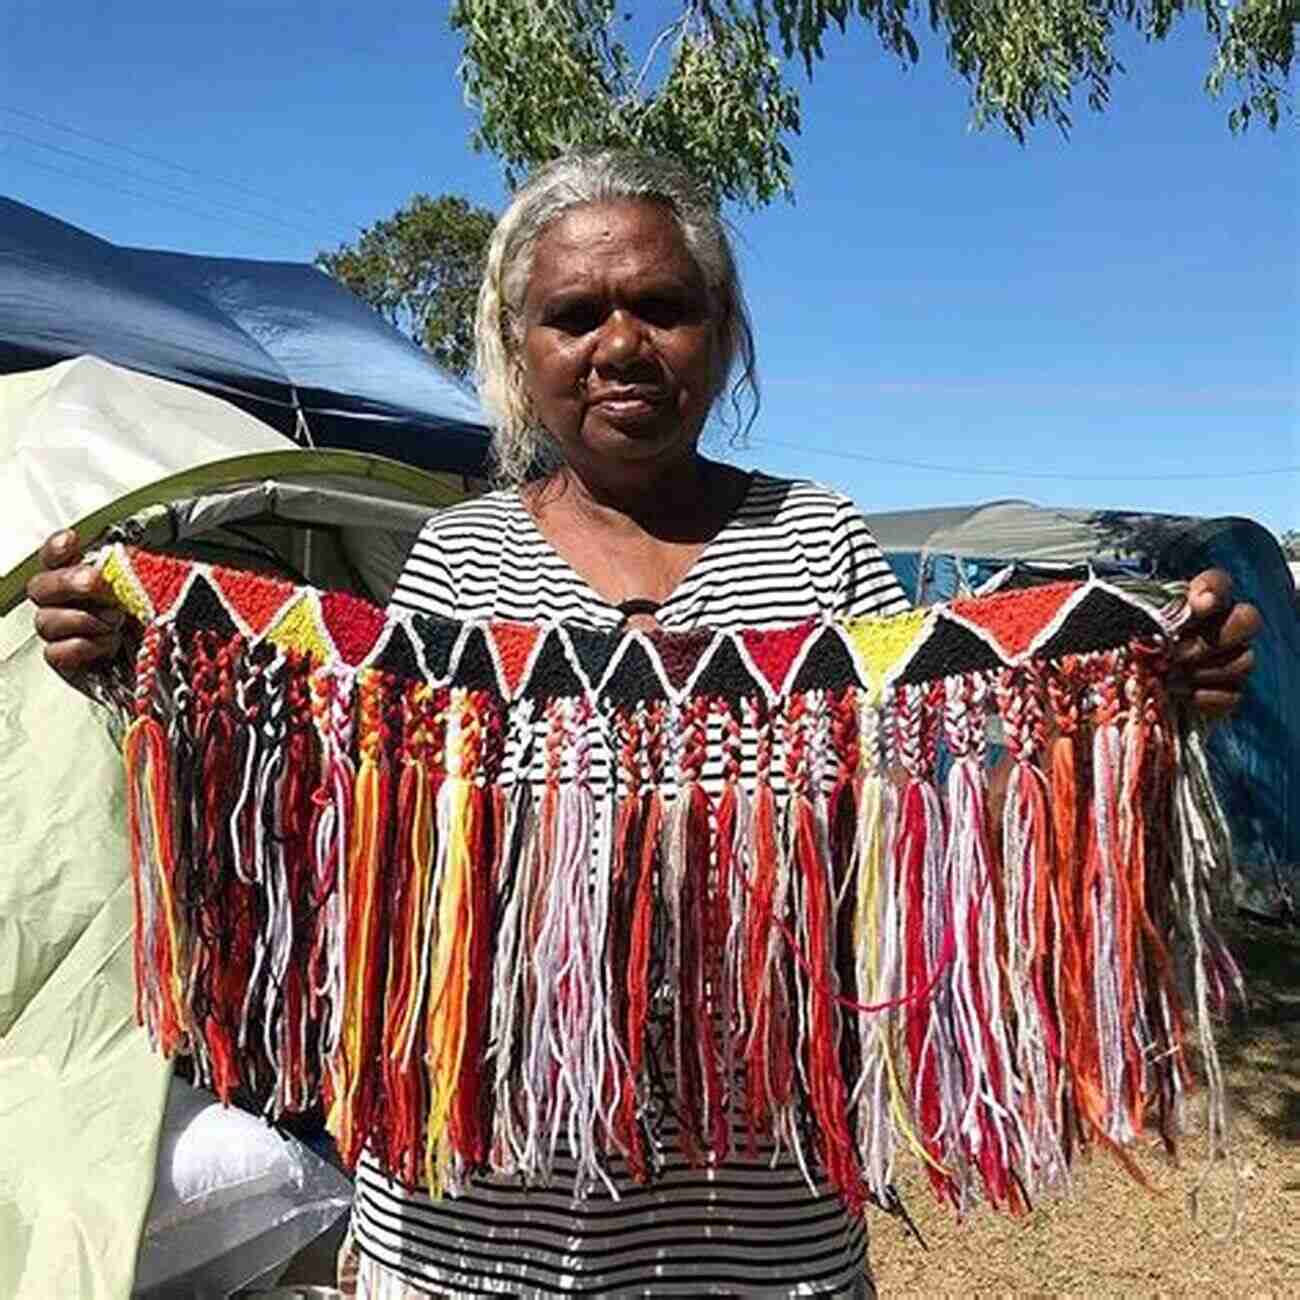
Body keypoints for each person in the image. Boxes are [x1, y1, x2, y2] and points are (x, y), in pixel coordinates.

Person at [29, 151, 1260, 1298]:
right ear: (521, 350)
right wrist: (148, 665)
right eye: (574, 316)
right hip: (474, 1215)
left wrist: (1147, 701)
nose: (620, 344)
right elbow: (355, 803)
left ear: (720, 337)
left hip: (754, 1216)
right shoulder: (462, 554)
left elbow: (935, 776)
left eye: (662, 308)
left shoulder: (815, 538)